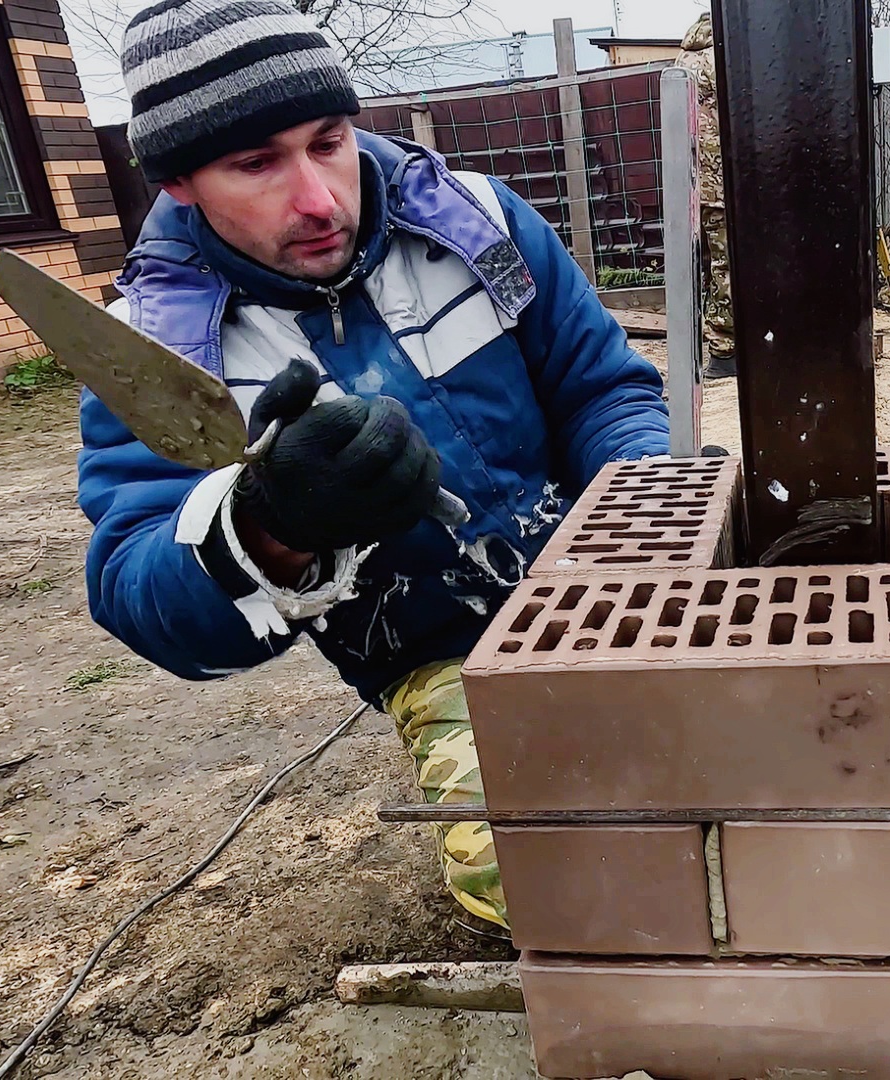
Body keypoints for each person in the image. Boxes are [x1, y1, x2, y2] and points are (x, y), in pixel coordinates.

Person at [80, 0, 669, 930]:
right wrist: (273, 522)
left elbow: (606, 391)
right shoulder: (154, 355)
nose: (318, 197)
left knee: (784, 761)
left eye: (328, 140)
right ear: (180, 183)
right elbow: (138, 593)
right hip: (440, 656)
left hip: (611, 580)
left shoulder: (477, 225)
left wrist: (647, 517)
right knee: (558, 879)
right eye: (256, 163)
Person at [674, 14, 738, 380]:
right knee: (726, 266)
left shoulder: (683, 60)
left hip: (691, 182)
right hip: (723, 184)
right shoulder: (722, 59)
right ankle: (724, 350)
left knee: (700, 266)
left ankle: (698, 347)